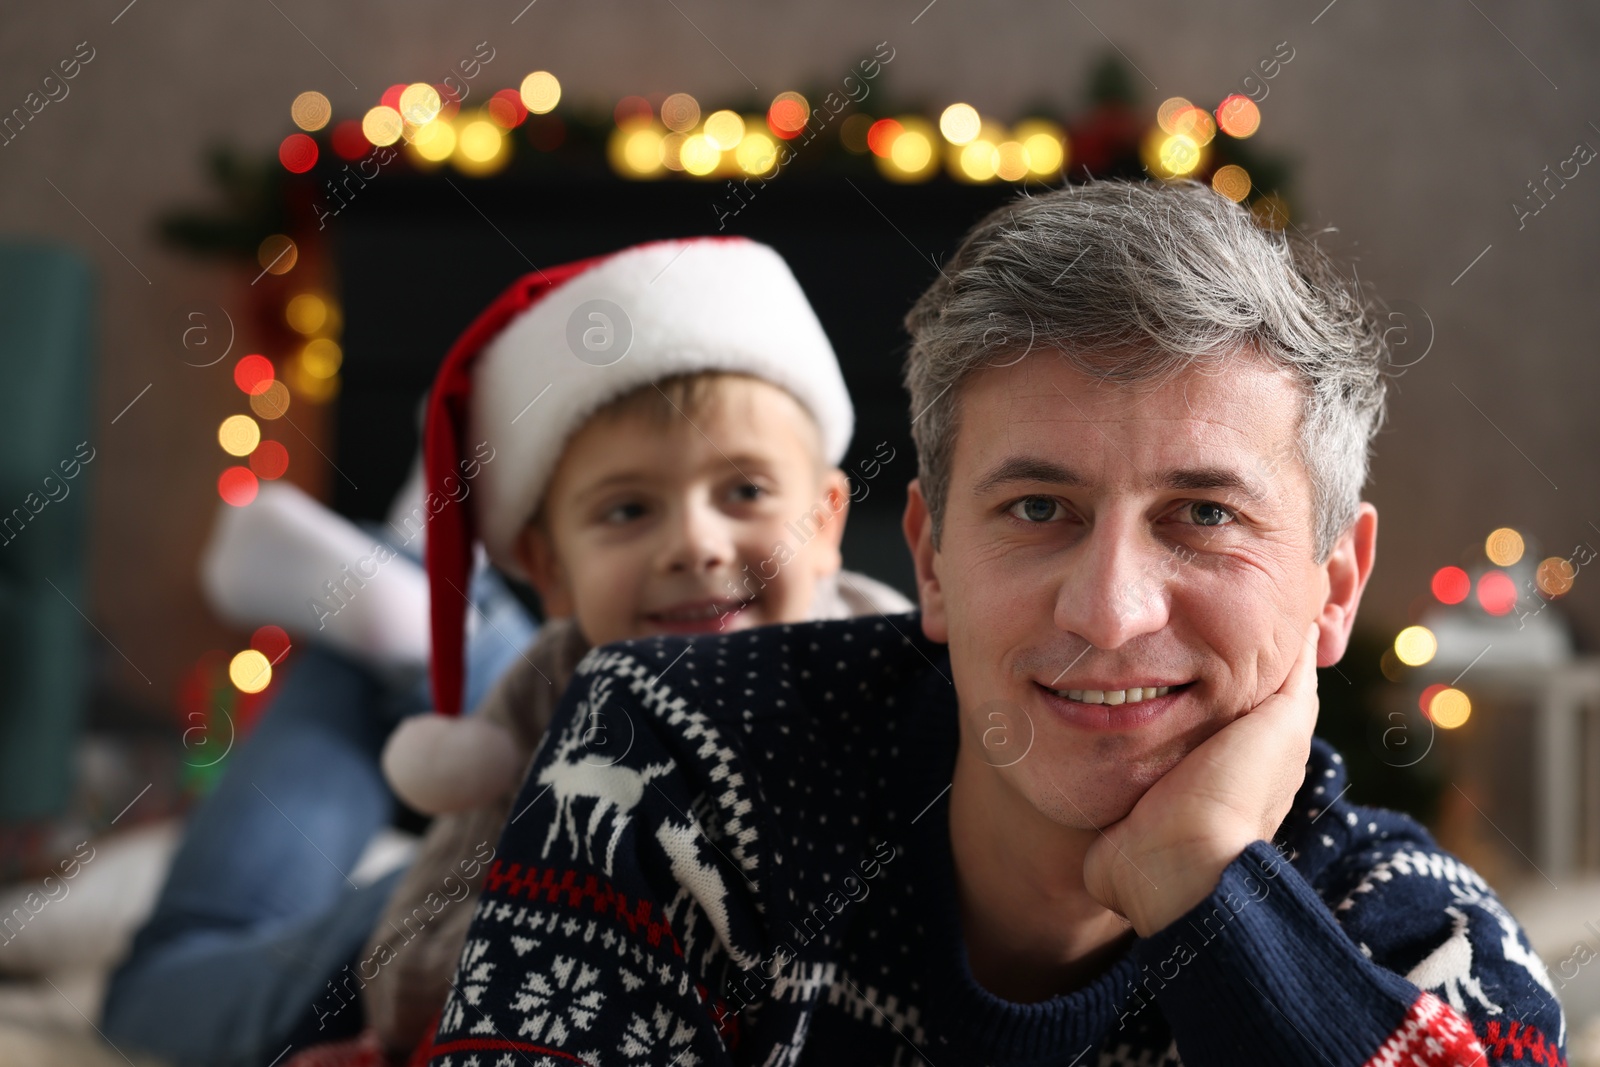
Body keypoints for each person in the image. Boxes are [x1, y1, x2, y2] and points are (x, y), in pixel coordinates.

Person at [416, 180, 1567, 1066]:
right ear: (926, 557)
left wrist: (1204, 880)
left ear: (1333, 584)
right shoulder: (660, 745)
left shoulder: (1411, 934)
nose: (1109, 612)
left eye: (1202, 514)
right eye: (1036, 507)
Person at [100, 237, 911, 1067]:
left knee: (172, 966)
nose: (697, 543)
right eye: (630, 509)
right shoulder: (556, 690)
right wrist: (393, 1037)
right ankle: (423, 603)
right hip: (447, 924)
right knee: (158, 986)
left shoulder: (893, 684)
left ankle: (424, 600)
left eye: (744, 491)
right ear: (550, 570)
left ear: (828, 520)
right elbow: (441, 919)